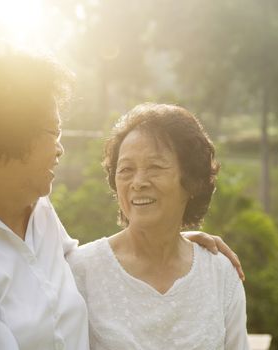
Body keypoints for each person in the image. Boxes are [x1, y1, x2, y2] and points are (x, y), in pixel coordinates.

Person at [0, 45, 243, 349]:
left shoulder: (39, 214)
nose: (60, 149)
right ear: (11, 138)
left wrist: (169, 239)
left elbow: (95, 267)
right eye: (53, 132)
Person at [68, 103, 250, 349]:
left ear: (192, 181)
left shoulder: (220, 273)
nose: (138, 182)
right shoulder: (80, 271)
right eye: (126, 170)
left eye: (155, 167)